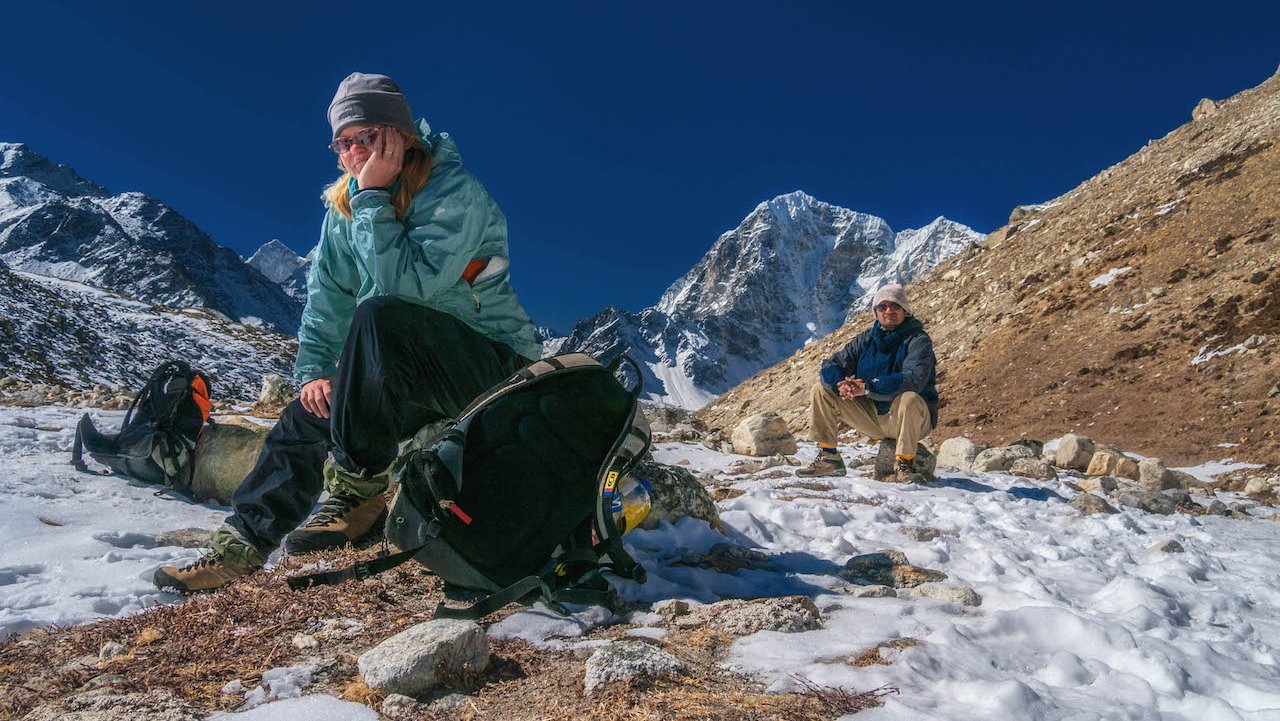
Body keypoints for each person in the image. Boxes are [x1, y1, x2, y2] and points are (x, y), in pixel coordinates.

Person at [154, 73, 541, 593]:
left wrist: (374, 199)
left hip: (493, 369)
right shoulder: (345, 209)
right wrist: (315, 371)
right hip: (409, 366)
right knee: (309, 412)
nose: (355, 150)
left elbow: (403, 293)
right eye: (344, 140)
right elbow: (329, 301)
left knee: (378, 314)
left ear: (402, 135)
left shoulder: (453, 191)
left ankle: (358, 492)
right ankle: (239, 548)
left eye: (368, 135)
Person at [797, 283, 938, 482]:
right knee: (822, 390)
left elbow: (913, 378)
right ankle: (829, 458)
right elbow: (832, 364)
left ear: (905, 311)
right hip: (873, 416)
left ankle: (905, 464)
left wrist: (868, 387)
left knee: (908, 398)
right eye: (882, 307)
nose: (888, 311)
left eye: (895, 306)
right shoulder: (867, 339)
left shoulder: (918, 340)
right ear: (875, 312)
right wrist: (841, 383)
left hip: (910, 418)